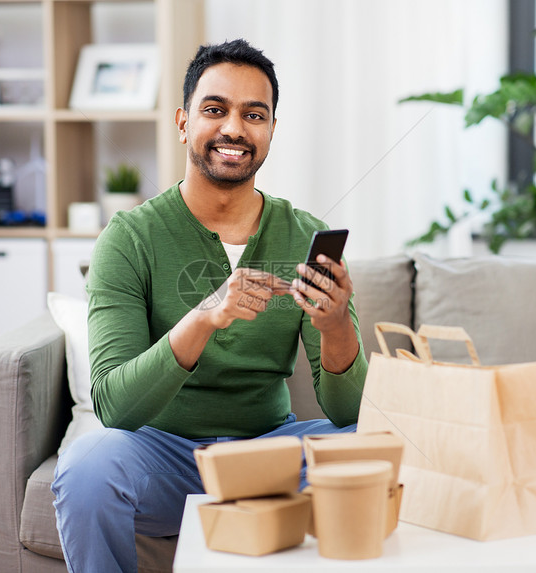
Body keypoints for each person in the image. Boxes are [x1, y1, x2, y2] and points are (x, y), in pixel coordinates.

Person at [51, 38, 367, 573]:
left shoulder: (305, 235)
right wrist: (202, 319)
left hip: (269, 453)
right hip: (162, 455)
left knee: (377, 445)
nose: (234, 129)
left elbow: (347, 414)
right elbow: (114, 406)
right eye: (215, 110)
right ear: (183, 122)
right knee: (86, 465)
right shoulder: (128, 238)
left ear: (270, 130)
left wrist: (337, 326)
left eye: (254, 115)